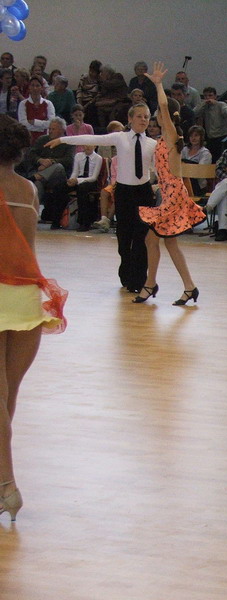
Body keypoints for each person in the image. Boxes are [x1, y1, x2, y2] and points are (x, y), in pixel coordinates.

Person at [0, 115, 68, 522]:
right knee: (8, 396)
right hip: (27, 296)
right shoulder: (28, 189)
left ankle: (8, 484)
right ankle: (2, 483)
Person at [48, 103, 158, 293]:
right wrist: (63, 139)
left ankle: (139, 280)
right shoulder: (120, 137)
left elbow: (158, 167)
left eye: (146, 117)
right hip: (124, 192)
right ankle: (126, 274)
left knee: (142, 238)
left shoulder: (153, 144)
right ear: (130, 119)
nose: (143, 120)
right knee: (124, 237)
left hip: (144, 192)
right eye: (139, 116)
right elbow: (92, 138)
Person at [133, 62, 205, 305]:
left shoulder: (171, 135)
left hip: (173, 197)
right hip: (169, 194)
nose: (156, 116)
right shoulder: (166, 138)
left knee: (152, 239)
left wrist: (158, 84)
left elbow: (163, 105)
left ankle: (150, 284)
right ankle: (188, 287)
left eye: (158, 114)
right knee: (167, 243)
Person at [64, 144, 103, 231]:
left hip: (90, 181)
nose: (87, 147)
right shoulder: (78, 156)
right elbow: (75, 172)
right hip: (78, 179)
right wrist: (71, 180)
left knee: (82, 189)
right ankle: (57, 220)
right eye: (85, 145)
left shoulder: (98, 158)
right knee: (60, 187)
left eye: (90, 145)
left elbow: (94, 177)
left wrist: (77, 180)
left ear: (95, 146)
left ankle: (84, 222)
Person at [194, 86, 227, 162]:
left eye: (210, 95)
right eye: (205, 96)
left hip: (221, 137)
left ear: (215, 96)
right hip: (209, 138)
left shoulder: (221, 105)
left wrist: (217, 104)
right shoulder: (204, 106)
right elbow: (194, 113)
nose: (208, 98)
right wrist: (203, 104)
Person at [17, 76, 55, 144]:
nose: (35, 88)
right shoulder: (23, 104)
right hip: (28, 140)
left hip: (44, 139)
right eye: (32, 85)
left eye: (37, 86)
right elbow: (23, 124)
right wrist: (42, 127)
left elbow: (51, 124)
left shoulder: (48, 104)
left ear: (42, 88)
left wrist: (34, 122)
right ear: (29, 87)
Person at [180, 125, 212, 195]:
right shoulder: (184, 150)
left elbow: (199, 171)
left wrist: (185, 166)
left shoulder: (205, 153)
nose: (193, 138)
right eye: (191, 136)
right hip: (182, 181)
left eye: (196, 135)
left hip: (198, 184)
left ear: (201, 137)